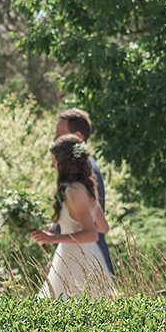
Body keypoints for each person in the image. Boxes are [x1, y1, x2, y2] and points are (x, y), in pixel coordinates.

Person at [32, 134, 115, 298]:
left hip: (75, 260)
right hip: (91, 256)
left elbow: (91, 234)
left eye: (54, 160)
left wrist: (52, 239)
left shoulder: (73, 191)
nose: (52, 165)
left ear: (65, 162)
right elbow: (103, 227)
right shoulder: (87, 187)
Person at [50, 108, 114, 275]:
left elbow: (88, 227)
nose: (55, 139)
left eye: (60, 134)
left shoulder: (80, 179)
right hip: (86, 254)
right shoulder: (83, 172)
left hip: (80, 259)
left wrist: (53, 238)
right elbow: (97, 223)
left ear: (77, 137)